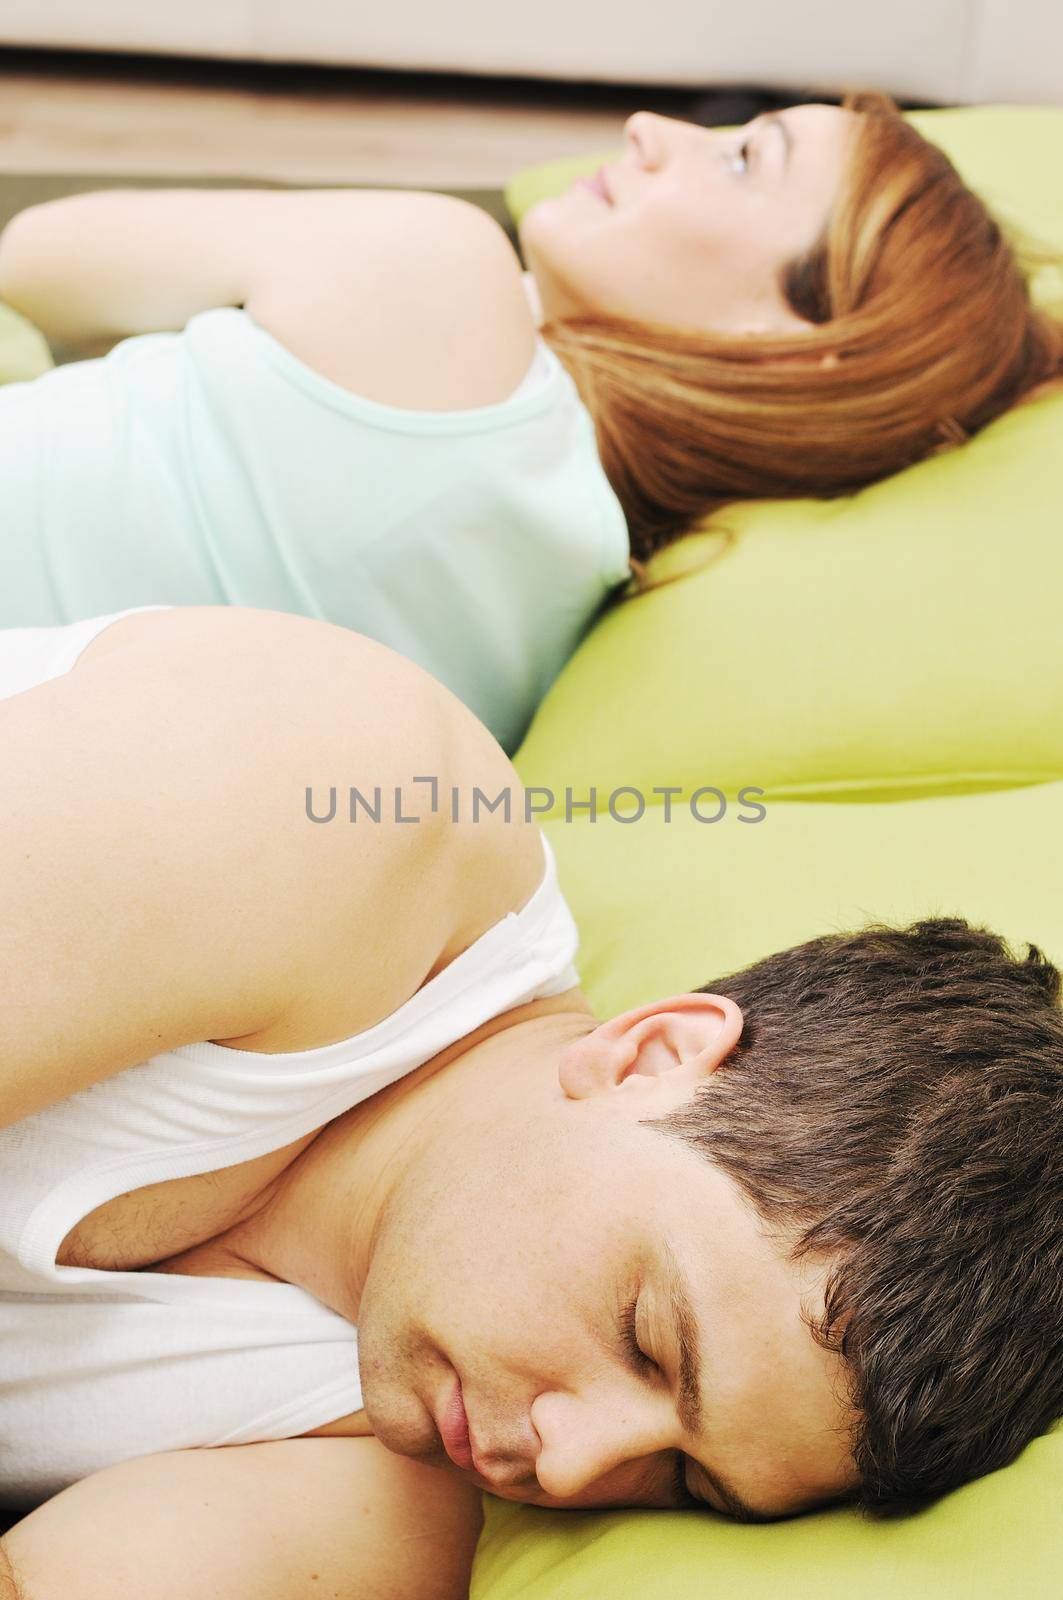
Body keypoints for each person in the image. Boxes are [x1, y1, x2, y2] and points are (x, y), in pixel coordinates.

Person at [0, 603, 1059, 1600]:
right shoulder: (350, 807)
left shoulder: (408, 1473)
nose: (568, 1460)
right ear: (651, 1057)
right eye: (648, 1341)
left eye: (682, 1482)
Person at [1, 92, 1060, 752]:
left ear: (788, 341)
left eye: (741, 158)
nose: (654, 130)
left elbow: (39, 262)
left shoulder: (436, 274)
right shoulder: (549, 643)